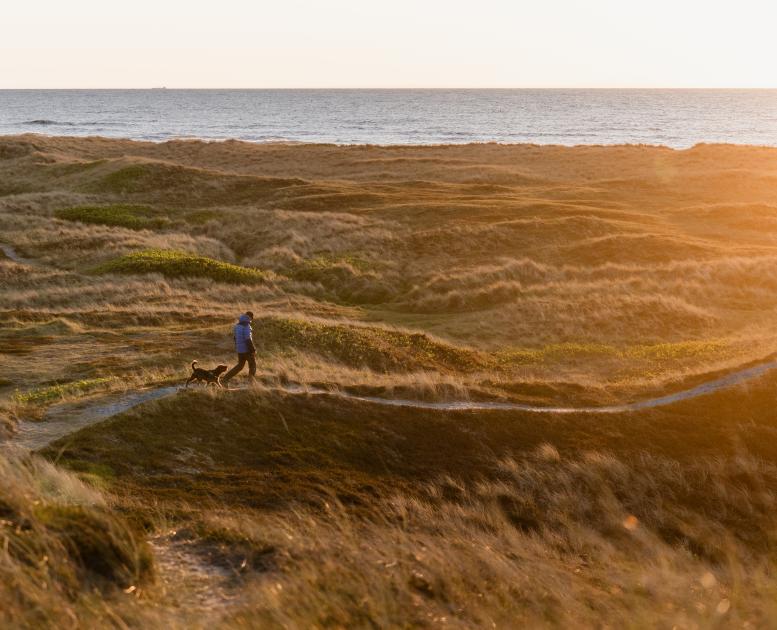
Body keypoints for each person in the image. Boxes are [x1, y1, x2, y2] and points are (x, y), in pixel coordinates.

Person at [222, 311, 256, 385]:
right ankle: (251, 384)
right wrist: (252, 349)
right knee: (252, 365)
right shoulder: (246, 326)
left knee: (240, 366)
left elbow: (235, 338)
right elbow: (248, 339)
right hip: (247, 350)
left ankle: (225, 379)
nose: (251, 320)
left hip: (240, 350)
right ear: (250, 317)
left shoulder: (237, 326)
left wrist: (238, 347)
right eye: (252, 318)